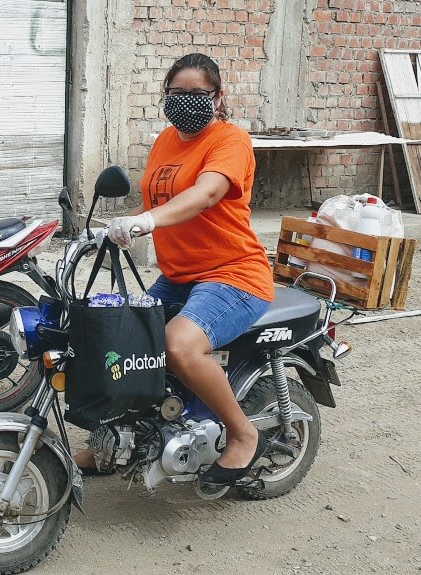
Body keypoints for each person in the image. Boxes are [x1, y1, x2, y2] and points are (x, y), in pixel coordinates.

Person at [75, 53, 275, 485]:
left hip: (232, 274)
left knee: (178, 345)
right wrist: (112, 228)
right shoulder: (166, 139)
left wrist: (146, 221)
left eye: (197, 94)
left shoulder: (230, 140)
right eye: (177, 93)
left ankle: (243, 434)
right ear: (165, 96)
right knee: (124, 342)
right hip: (180, 275)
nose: (186, 101)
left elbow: (204, 195)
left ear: (217, 97)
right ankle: (115, 440)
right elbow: (158, 204)